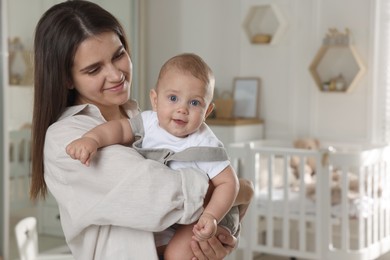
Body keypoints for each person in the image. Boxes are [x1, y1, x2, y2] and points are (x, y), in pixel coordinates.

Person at [30, 1, 253, 259]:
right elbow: (163, 196)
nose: (116, 75)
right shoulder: (67, 139)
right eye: (94, 69)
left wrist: (218, 234)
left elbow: (199, 207)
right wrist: (242, 190)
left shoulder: (146, 119)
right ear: (67, 79)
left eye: (118, 55)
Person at [66, 53, 240, 259]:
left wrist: (211, 216)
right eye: (173, 98)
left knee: (176, 254)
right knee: (150, 245)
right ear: (155, 100)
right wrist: (92, 140)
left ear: (208, 110)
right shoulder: (148, 123)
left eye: (195, 103)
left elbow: (229, 183)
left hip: (202, 216)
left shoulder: (204, 142)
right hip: (172, 215)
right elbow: (119, 130)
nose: (182, 109)